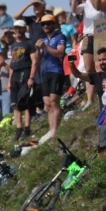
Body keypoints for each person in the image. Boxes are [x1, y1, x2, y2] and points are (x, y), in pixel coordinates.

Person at [36, 14, 66, 143]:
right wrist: (38, 49)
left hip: (56, 70)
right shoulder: (43, 39)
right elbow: (38, 59)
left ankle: (55, 129)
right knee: (47, 104)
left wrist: (45, 47)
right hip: (45, 72)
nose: (46, 26)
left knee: (54, 101)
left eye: (48, 23)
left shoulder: (60, 37)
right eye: (43, 24)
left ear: (53, 24)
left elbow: (60, 53)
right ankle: (51, 130)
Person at [8, 21, 38, 142]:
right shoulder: (14, 44)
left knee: (26, 101)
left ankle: (27, 127)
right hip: (15, 73)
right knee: (15, 103)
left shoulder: (30, 43)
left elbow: (34, 61)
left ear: (24, 29)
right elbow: (12, 64)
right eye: (16, 28)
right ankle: (18, 128)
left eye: (20, 28)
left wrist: (31, 77)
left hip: (25, 72)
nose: (18, 31)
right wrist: (9, 81)